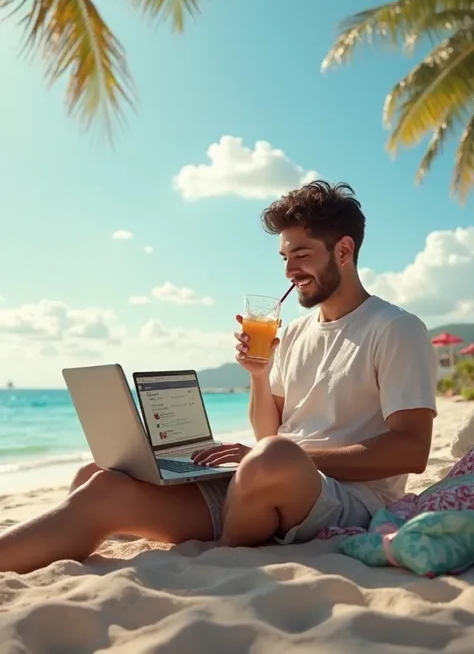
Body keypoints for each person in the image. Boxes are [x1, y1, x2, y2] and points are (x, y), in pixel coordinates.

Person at [0, 181, 437, 573]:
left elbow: (412, 451)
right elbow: (268, 430)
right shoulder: (297, 331)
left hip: (348, 498)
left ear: (343, 251)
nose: (288, 271)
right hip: (267, 484)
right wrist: (259, 376)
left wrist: (282, 458)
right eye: (284, 257)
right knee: (99, 481)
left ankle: (221, 551)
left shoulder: (395, 328)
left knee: (274, 457)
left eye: (301, 254)